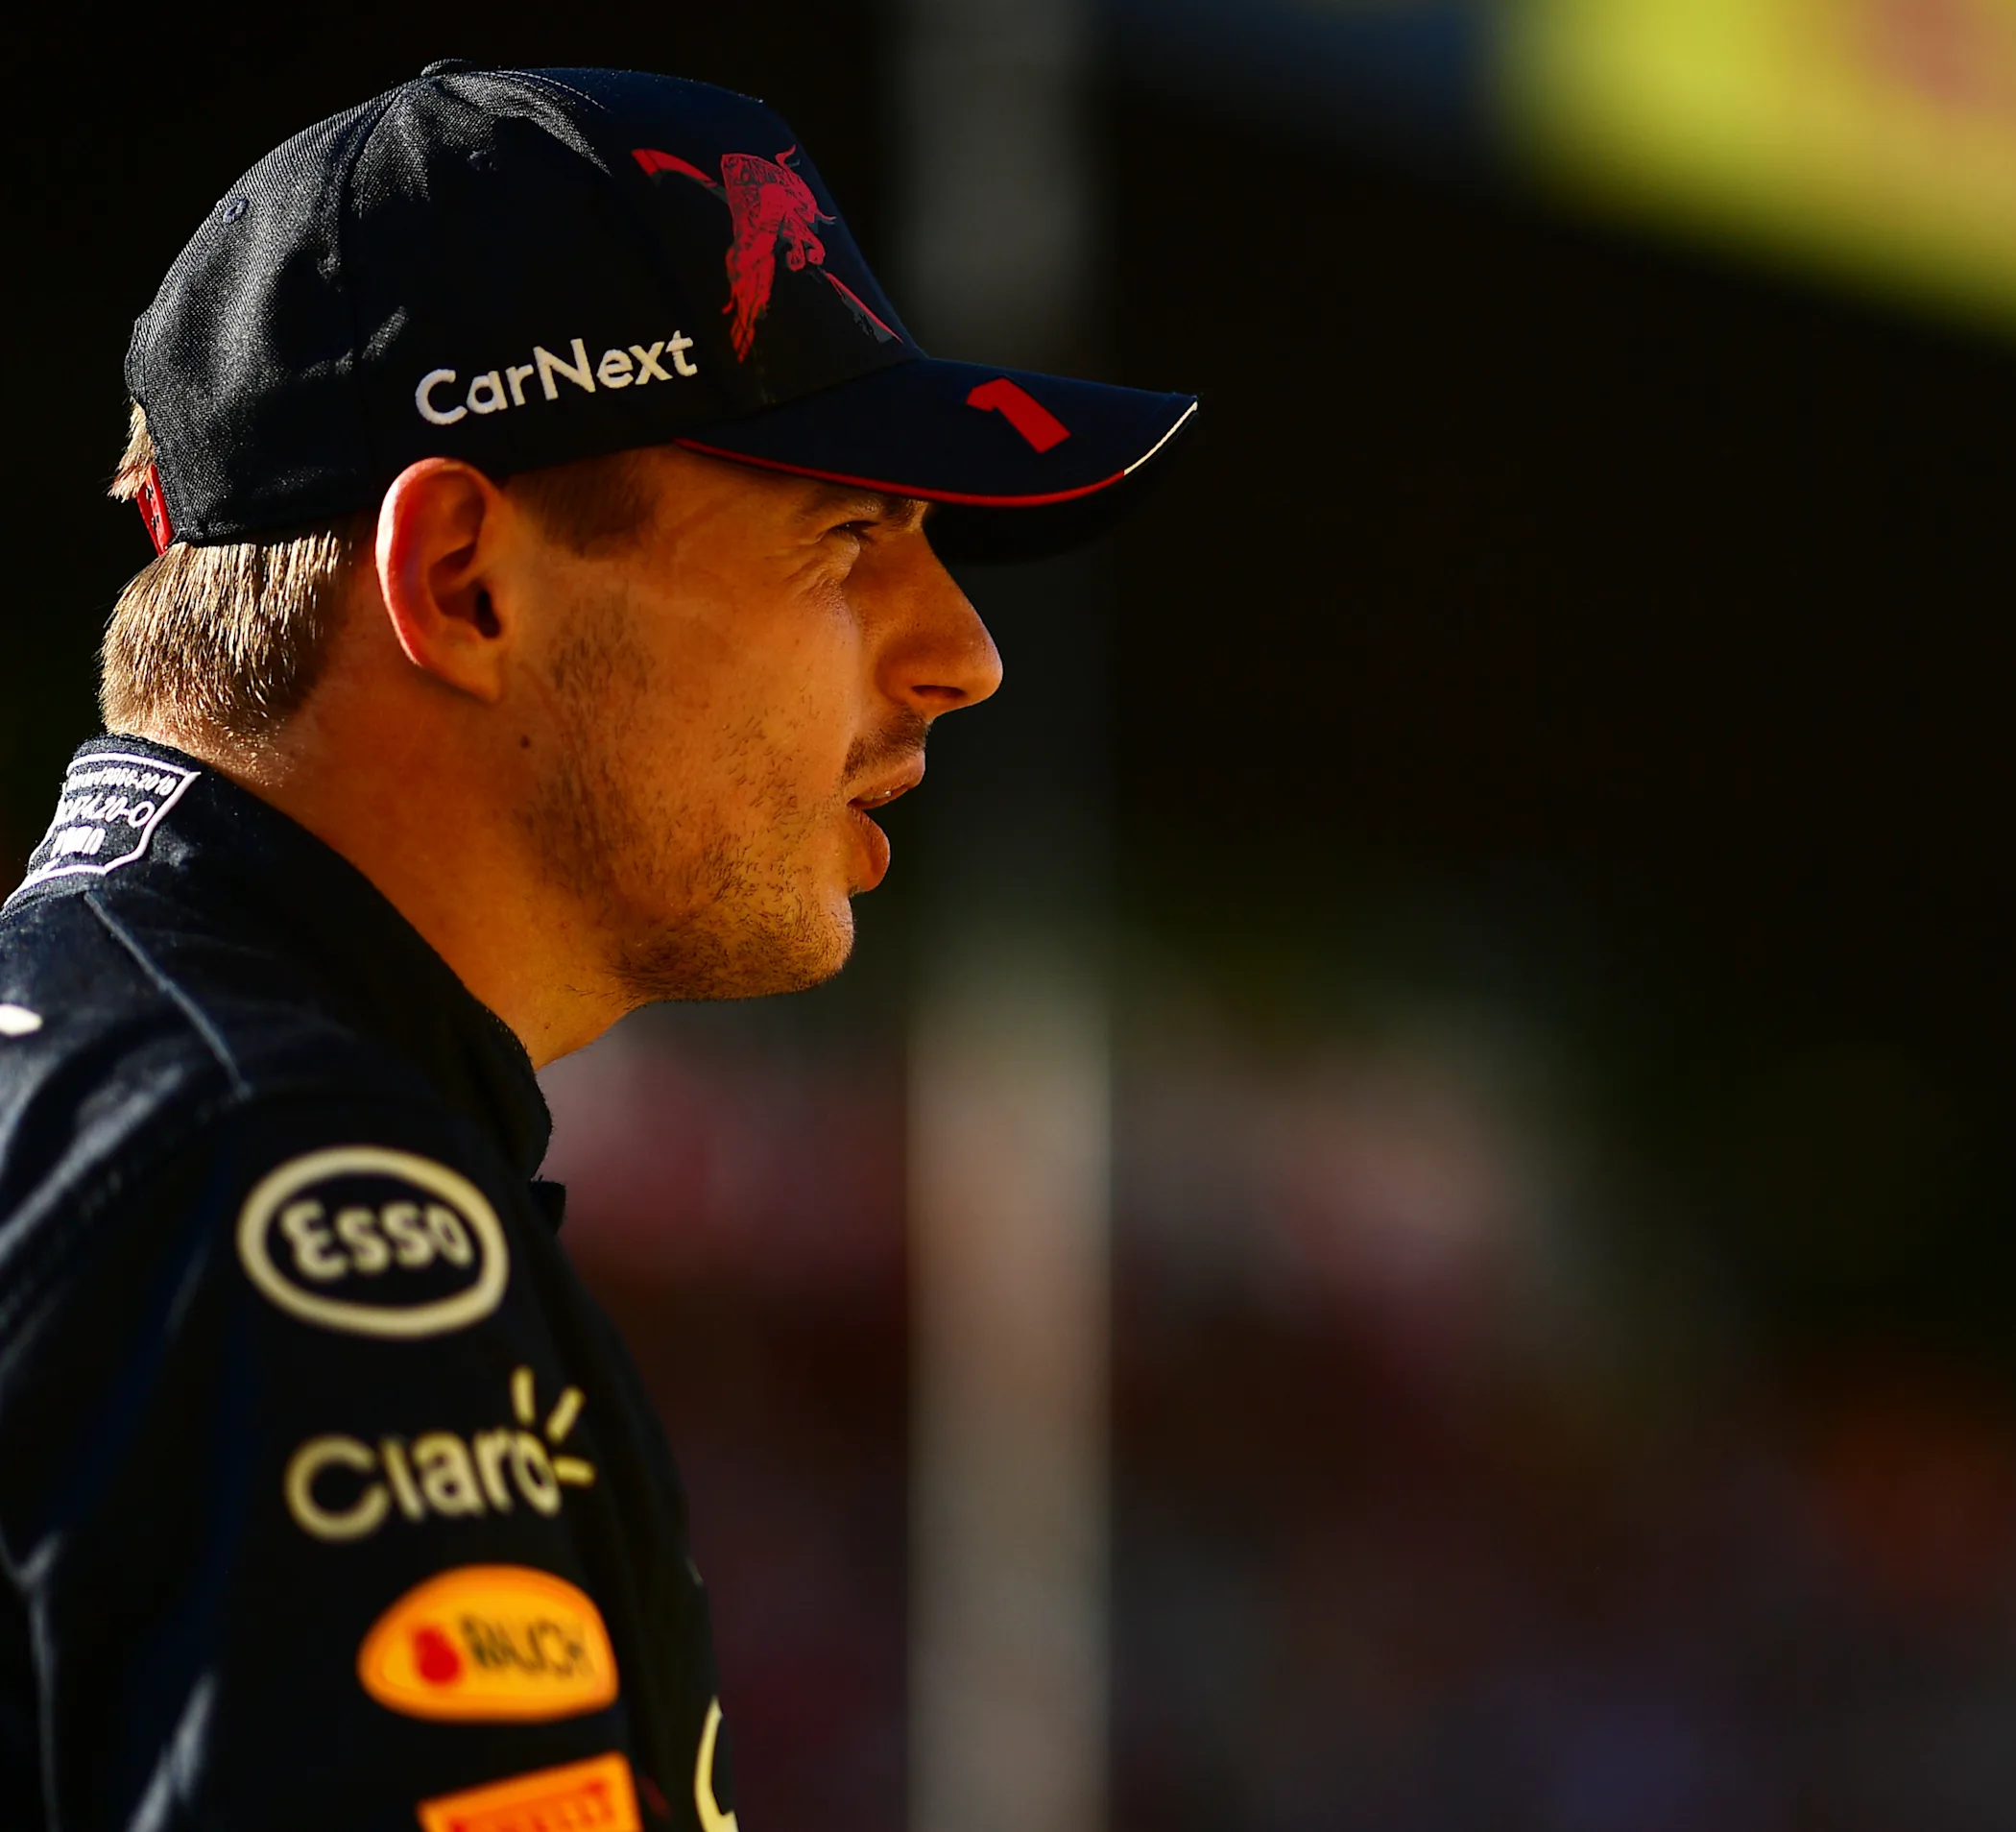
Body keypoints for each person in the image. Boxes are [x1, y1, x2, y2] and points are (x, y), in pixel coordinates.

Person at [0, 63, 1190, 1829]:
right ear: (464, 579)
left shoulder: (127, 1087)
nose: (958, 654)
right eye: (846, 537)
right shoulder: (291, 1200)